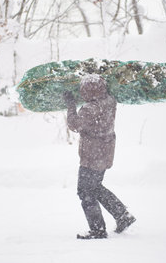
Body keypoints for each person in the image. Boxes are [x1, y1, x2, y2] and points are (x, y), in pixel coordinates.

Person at [64, 74, 136, 240]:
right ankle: (122, 216)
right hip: (104, 153)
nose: (82, 93)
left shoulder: (91, 109)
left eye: (83, 90)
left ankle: (97, 230)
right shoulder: (110, 101)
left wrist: (70, 105)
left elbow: (74, 124)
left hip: (91, 155)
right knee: (95, 187)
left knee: (85, 192)